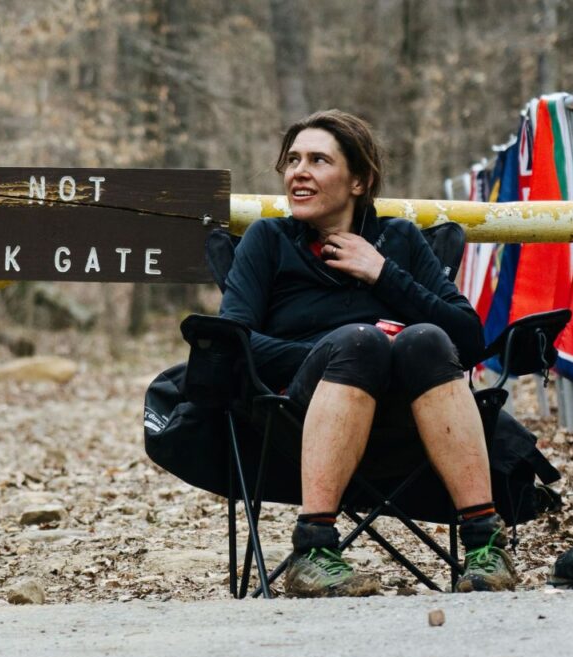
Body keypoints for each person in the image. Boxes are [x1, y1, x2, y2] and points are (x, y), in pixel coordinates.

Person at [219, 109, 516, 597]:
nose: (299, 172)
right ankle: (314, 550)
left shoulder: (398, 240)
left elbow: (468, 339)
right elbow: (233, 340)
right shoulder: (268, 240)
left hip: (410, 416)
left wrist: (382, 273)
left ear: (359, 180)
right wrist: (333, 353)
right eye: (293, 160)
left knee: (427, 338)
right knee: (360, 341)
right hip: (301, 413)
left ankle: (485, 544)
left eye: (318, 160)